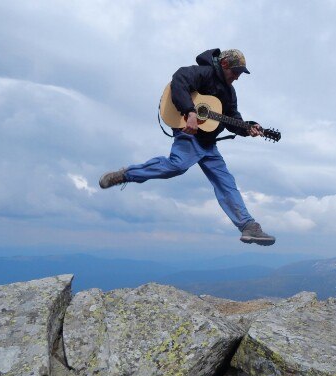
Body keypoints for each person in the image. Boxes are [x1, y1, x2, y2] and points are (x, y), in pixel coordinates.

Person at [99, 48, 276, 246]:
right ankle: (126, 174)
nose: (237, 77)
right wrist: (190, 111)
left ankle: (248, 226)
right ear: (224, 65)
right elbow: (179, 80)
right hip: (189, 134)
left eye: (240, 74)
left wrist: (248, 128)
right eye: (235, 72)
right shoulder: (203, 73)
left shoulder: (229, 92)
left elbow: (232, 118)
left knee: (226, 182)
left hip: (209, 143)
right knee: (177, 166)